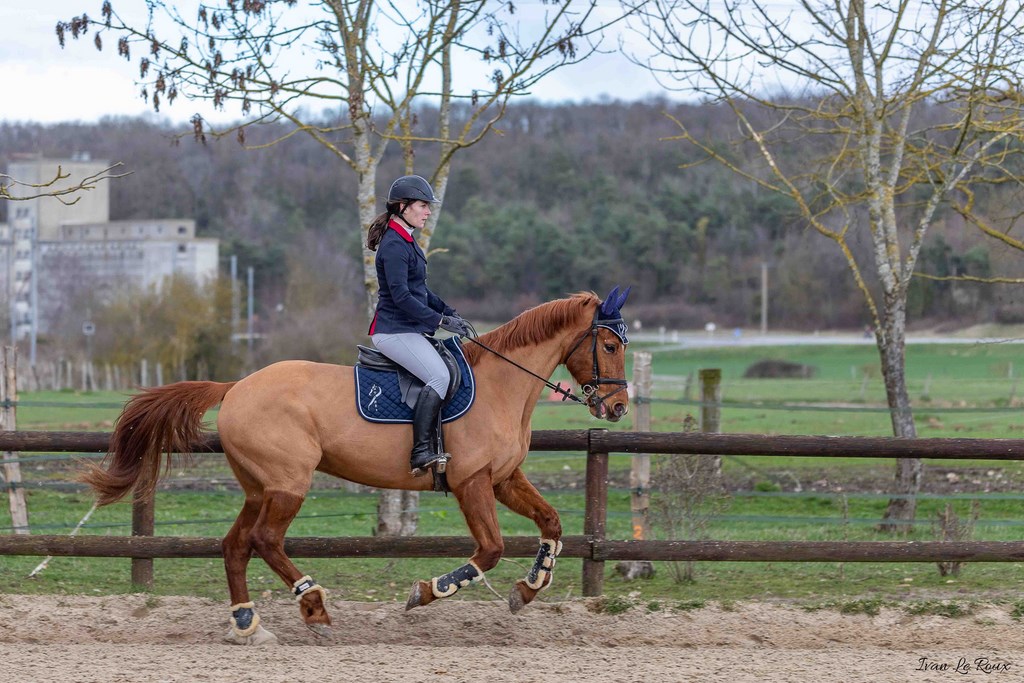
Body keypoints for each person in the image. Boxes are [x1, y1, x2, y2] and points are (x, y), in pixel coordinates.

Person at [366, 175, 471, 475]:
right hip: (392, 331)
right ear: (403, 206)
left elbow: (420, 290)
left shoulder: (407, 240)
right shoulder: (395, 245)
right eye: (423, 206)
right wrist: (438, 321)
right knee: (439, 377)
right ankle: (421, 451)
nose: (428, 212)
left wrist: (448, 311)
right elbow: (401, 296)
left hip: (407, 329)